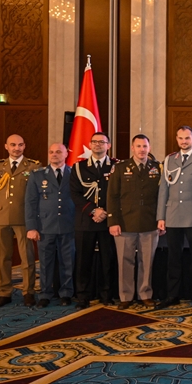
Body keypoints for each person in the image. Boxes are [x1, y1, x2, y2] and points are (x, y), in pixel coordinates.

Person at [156, 126, 192, 310]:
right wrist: (161, 216)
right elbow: (164, 189)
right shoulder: (169, 160)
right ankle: (172, 295)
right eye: (180, 138)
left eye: (187, 138)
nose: (183, 141)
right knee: (173, 259)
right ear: (176, 138)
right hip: (173, 215)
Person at [0, 134, 42, 307]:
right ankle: (4, 292)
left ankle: (28, 291)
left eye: (20, 145)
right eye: (13, 145)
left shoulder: (34, 166)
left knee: (27, 257)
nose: (16, 148)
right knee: (3, 257)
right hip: (1, 217)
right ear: (6, 146)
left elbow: (38, 196)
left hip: (24, 218)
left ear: (24, 146)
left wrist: (36, 221)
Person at [106, 134, 161, 309]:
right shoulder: (121, 168)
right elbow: (112, 196)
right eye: (138, 146)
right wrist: (113, 221)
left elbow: (162, 196)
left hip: (149, 222)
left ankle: (145, 293)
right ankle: (126, 296)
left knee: (147, 260)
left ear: (149, 148)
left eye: (145, 146)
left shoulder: (157, 167)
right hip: (125, 222)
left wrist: (161, 220)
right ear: (132, 148)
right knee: (125, 261)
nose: (142, 149)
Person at [25, 143, 75, 306]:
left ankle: (66, 293)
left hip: (68, 224)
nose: (54, 155)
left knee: (68, 260)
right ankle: (45, 294)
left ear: (66, 154)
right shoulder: (37, 175)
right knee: (45, 262)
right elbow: (30, 202)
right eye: (51, 152)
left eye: (58, 152)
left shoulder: (74, 173)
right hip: (45, 225)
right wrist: (32, 227)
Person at [71, 132, 117, 308]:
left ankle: (107, 294)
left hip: (108, 221)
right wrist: (93, 210)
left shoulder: (116, 166)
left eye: (102, 142)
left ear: (109, 145)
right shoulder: (78, 168)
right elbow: (75, 194)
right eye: (95, 142)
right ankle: (83, 296)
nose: (98, 145)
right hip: (85, 221)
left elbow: (118, 193)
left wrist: (105, 212)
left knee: (108, 260)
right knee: (83, 261)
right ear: (90, 145)